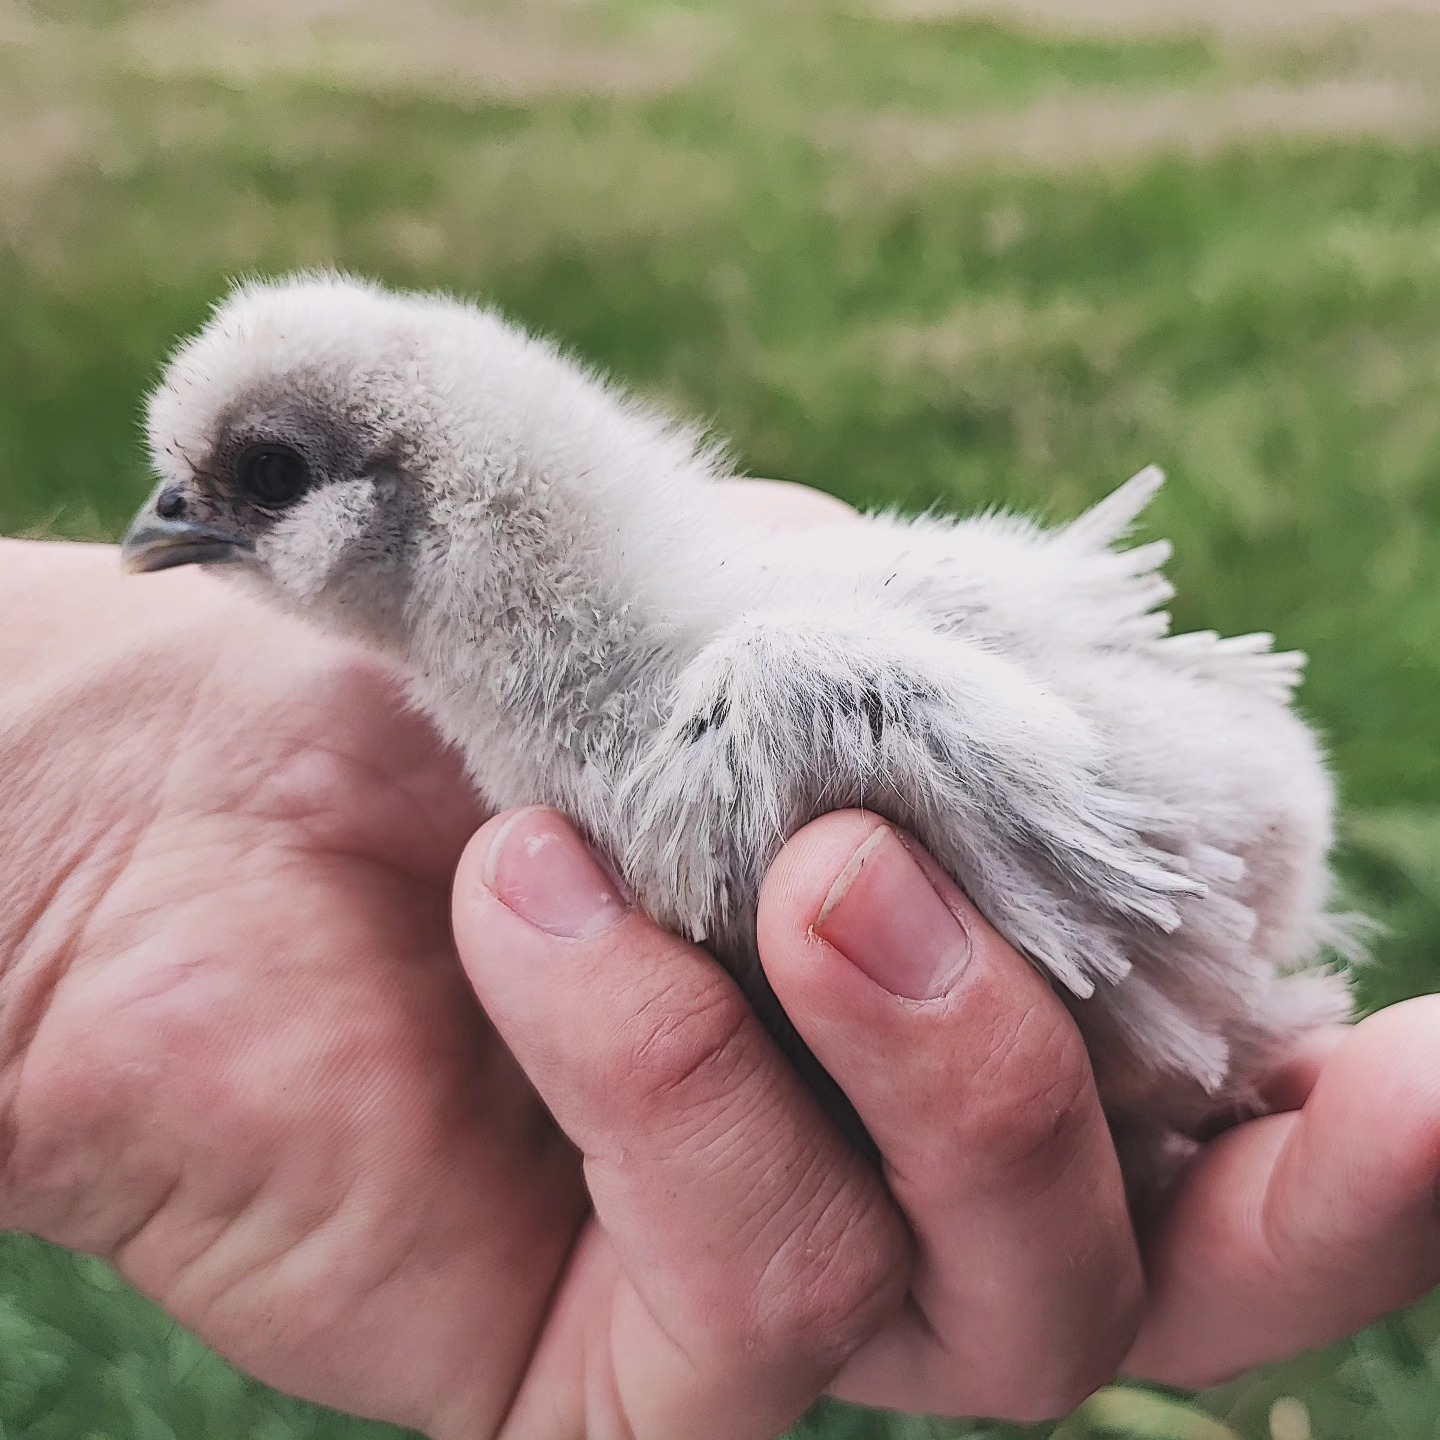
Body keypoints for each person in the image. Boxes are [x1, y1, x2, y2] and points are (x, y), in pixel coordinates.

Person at [0, 481, 1436, 1440]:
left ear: (421, 492)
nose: (174, 511)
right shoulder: (651, 726)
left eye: (252, 474)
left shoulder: (774, 694)